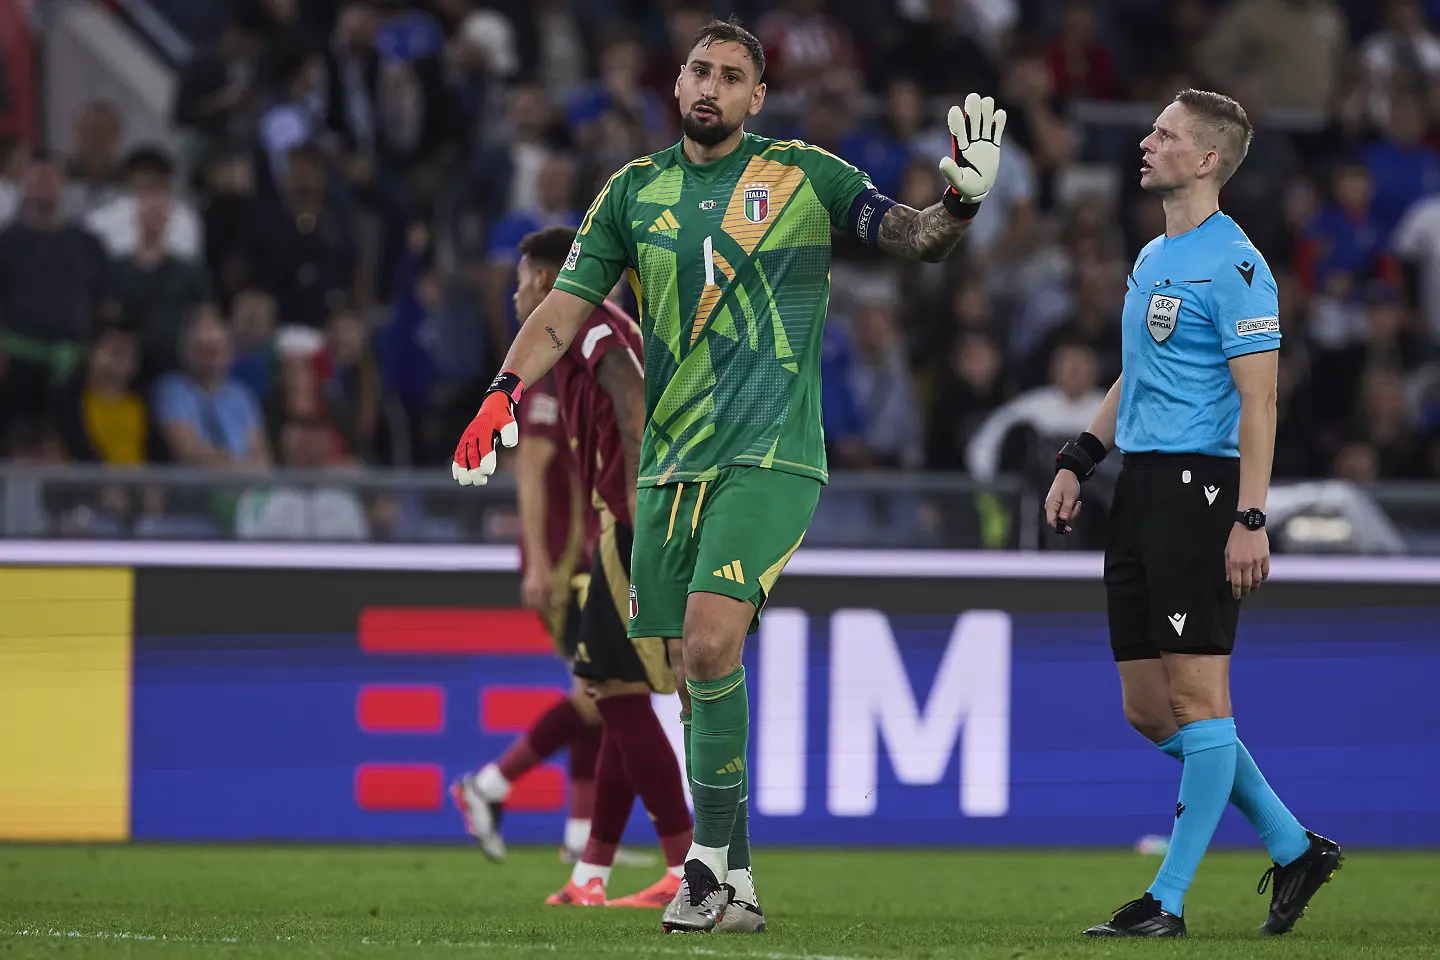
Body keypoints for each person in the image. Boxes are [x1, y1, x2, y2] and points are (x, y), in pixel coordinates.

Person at [451, 17, 1004, 934]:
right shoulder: (632, 192)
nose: (712, 85)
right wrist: (503, 393)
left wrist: (960, 204)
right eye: (699, 70)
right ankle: (734, 883)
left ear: (756, 96)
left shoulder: (805, 175)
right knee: (692, 677)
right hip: (670, 470)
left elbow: (913, 239)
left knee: (710, 647)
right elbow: (566, 306)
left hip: (772, 455)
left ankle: (703, 873)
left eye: (732, 75)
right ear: (677, 86)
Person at [1044, 89, 1342, 938]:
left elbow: (1262, 401)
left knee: (1201, 701)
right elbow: (1133, 375)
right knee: (1147, 707)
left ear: (1207, 160)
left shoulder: (1238, 265)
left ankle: (1165, 901)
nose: (1147, 142)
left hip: (1201, 492)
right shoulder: (1153, 256)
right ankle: (1293, 845)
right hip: (1139, 487)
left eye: (1166, 135)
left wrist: (1251, 517)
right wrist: (1081, 457)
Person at [457, 227, 694, 911]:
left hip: (631, 520)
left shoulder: (586, 323)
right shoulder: (593, 328)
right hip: (623, 520)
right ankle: (593, 874)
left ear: (543, 277)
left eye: (521, 279)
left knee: (614, 693)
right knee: (612, 689)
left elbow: (630, 399)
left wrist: (646, 510)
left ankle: (686, 866)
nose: (515, 292)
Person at [450, 372, 604, 866]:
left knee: (600, 693)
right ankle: (489, 784)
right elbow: (530, 469)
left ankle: (581, 838)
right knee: (598, 693)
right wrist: (537, 560)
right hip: (566, 568)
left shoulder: (591, 375)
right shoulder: (550, 387)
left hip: (593, 561)